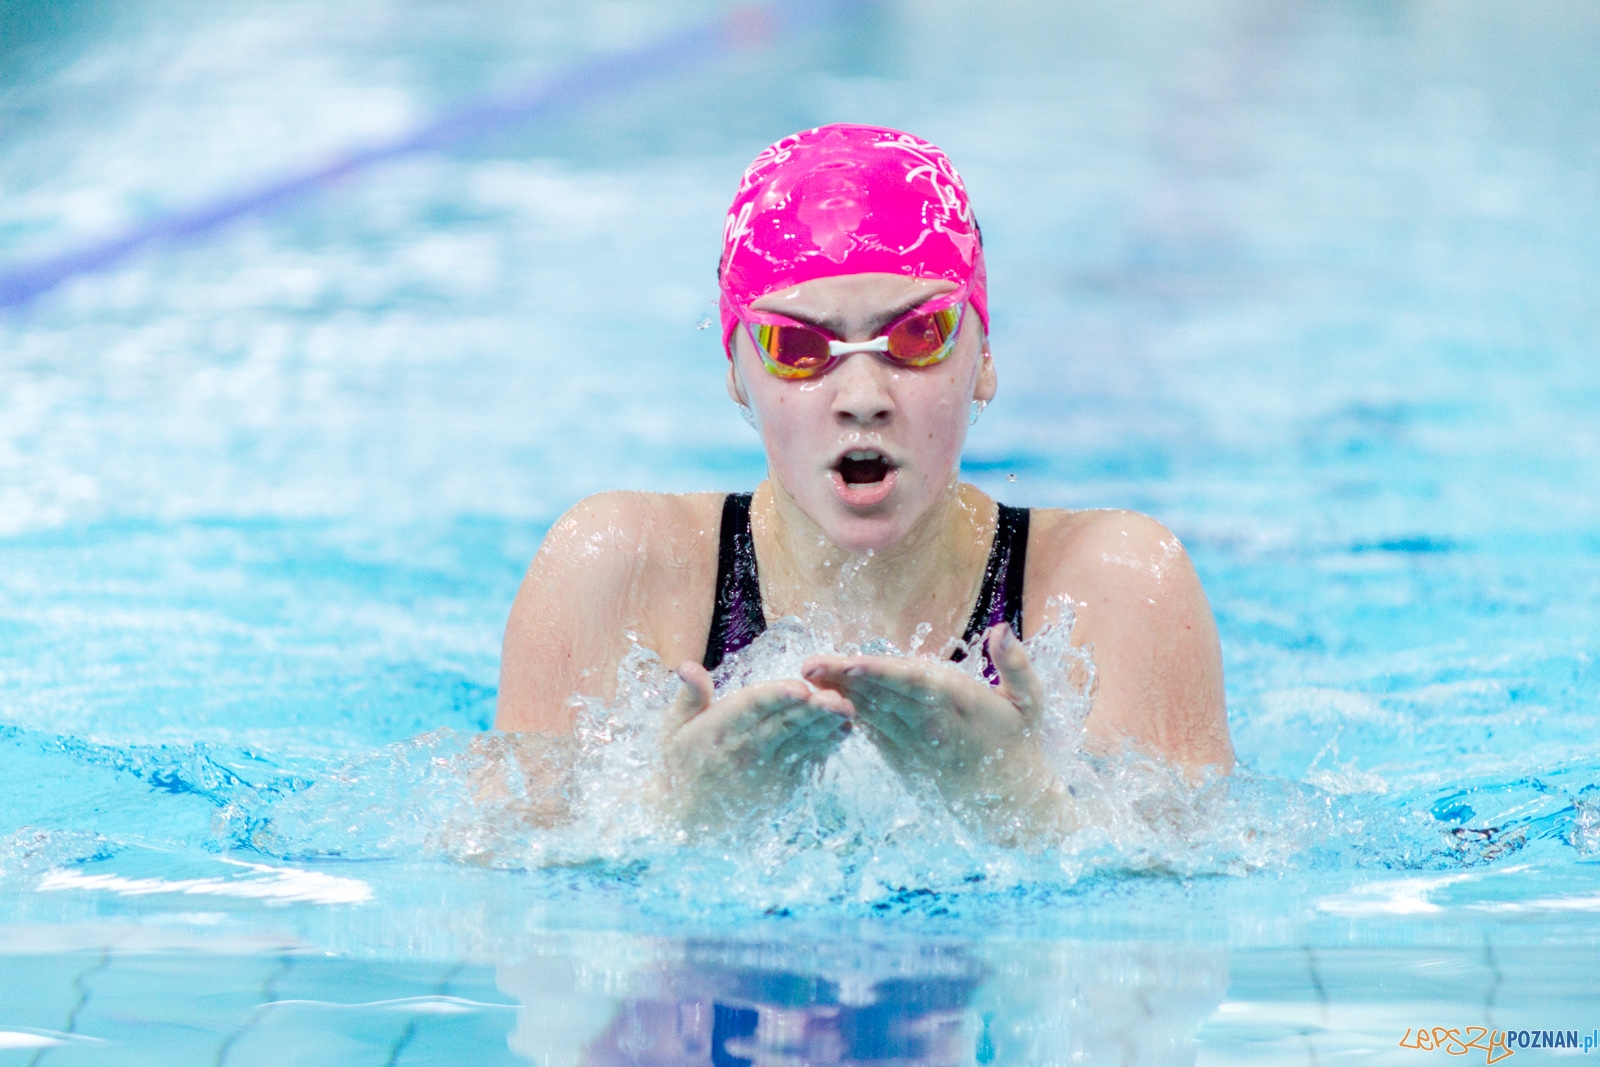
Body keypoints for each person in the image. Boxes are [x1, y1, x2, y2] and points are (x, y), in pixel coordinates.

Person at [496, 124, 1233, 840]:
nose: (862, 396)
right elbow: (499, 875)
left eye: (917, 336)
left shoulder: (1119, 586)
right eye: (796, 345)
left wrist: (1024, 810)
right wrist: (676, 820)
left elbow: (1195, 894)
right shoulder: (615, 571)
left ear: (983, 358)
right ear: (736, 375)